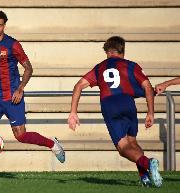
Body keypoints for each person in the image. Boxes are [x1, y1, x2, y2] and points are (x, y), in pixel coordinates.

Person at [0, 10, 65, 183]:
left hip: (13, 98)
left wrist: (20, 88)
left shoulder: (13, 45)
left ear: (4, 25)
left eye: (0, 25)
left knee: (21, 136)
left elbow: (29, 68)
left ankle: (52, 144)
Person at [67, 36, 162, 187]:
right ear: (122, 50)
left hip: (110, 105)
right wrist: (151, 112)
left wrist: (73, 112)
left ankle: (148, 163)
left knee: (123, 147)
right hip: (128, 102)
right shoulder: (131, 65)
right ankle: (144, 178)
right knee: (132, 142)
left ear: (107, 52)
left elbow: (78, 85)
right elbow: (147, 87)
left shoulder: (99, 67)